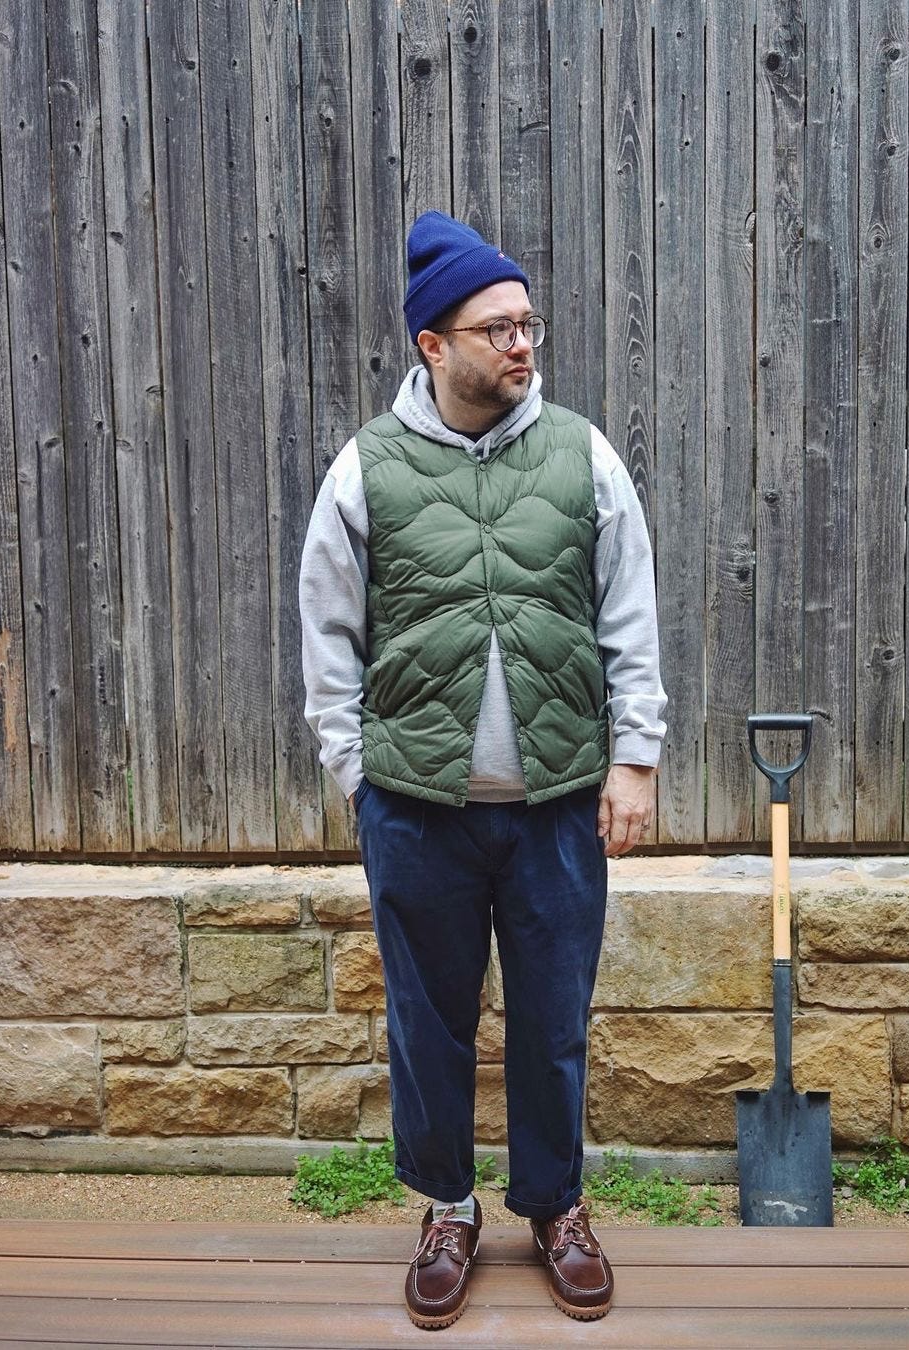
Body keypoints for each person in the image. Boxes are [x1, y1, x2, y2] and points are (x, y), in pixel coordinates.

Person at [299, 211, 667, 1329]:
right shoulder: (366, 468)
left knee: (554, 1020)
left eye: (527, 323)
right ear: (432, 344)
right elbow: (327, 631)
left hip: (557, 808)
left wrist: (635, 759)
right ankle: (448, 1210)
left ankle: (556, 1208)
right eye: (496, 327)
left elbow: (629, 611)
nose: (522, 345)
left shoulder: (583, 453)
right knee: (429, 1021)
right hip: (416, 809)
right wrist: (355, 774)